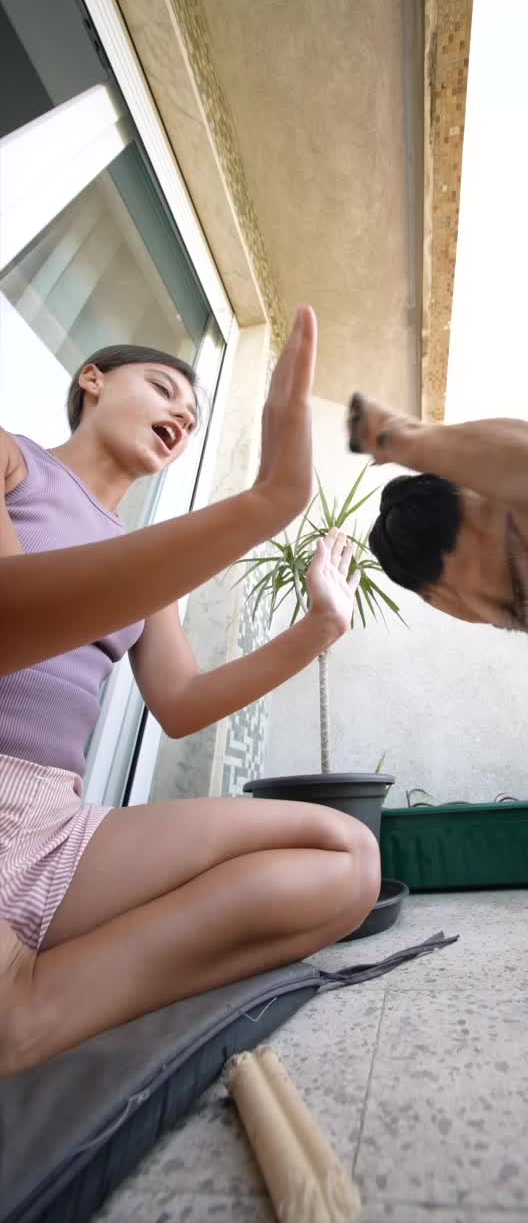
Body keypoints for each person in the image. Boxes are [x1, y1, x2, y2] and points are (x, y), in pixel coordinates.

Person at [0, 305, 380, 1078]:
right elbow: (10, 617)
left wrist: (321, 627)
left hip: (55, 825)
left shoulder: (142, 565)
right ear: (93, 380)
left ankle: (32, 1013)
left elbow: (183, 704)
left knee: (348, 856)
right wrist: (266, 503)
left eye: (193, 414)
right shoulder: (12, 461)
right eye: (163, 386)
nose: (182, 413)